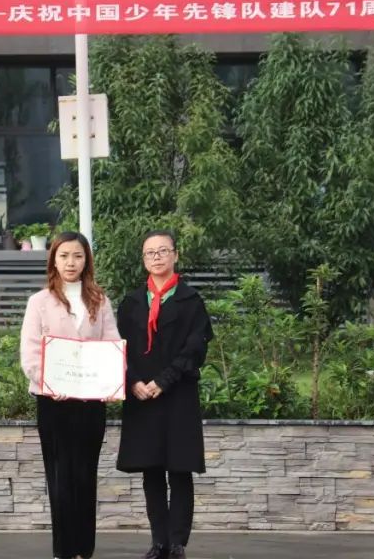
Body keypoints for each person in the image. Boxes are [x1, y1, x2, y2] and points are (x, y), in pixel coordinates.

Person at [20, 231, 121, 559]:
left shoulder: (99, 300)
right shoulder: (39, 302)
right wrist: (52, 383)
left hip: (91, 403)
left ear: (86, 260)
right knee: (60, 477)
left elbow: (111, 344)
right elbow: (30, 355)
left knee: (85, 474)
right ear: (53, 260)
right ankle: (64, 550)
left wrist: (112, 382)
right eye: (63, 255)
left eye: (77, 255)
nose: (70, 262)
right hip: (54, 403)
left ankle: (84, 549)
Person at [116, 230, 214, 559]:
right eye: (150, 253)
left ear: (175, 255)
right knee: (152, 470)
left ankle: (177, 543)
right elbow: (119, 348)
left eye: (162, 251)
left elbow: (195, 348)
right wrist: (133, 382)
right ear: (143, 259)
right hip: (142, 397)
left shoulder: (191, 300)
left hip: (178, 395)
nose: (156, 257)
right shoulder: (131, 302)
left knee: (179, 470)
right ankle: (158, 541)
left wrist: (164, 380)